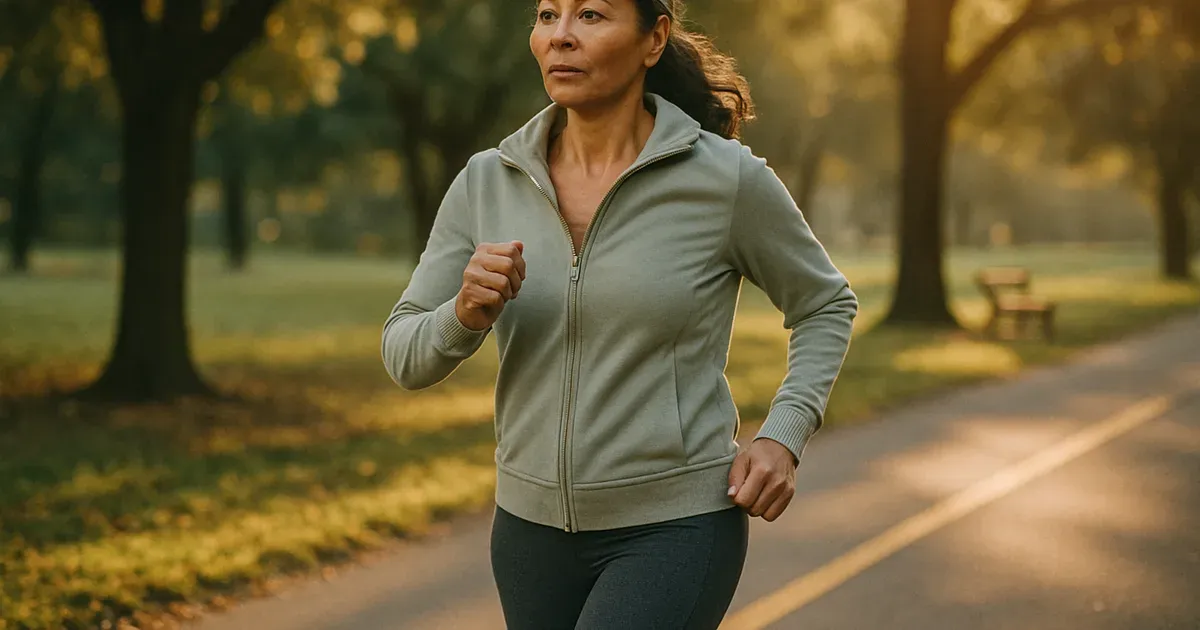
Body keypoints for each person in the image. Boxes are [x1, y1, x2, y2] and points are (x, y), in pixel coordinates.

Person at [381, 0, 857, 626]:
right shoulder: (487, 182)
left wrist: (783, 435)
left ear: (654, 38)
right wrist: (464, 314)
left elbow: (825, 303)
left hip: (675, 527)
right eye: (548, 15)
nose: (562, 37)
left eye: (592, 16)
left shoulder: (723, 179)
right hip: (528, 532)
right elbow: (403, 354)